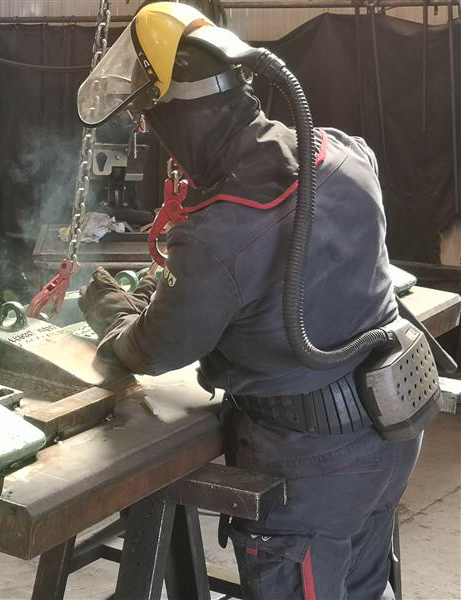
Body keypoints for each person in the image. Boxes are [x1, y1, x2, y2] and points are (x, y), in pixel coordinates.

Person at [76, 3, 420, 598]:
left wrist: (114, 315)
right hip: (389, 433)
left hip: (311, 465)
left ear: (175, 120)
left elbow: (159, 347)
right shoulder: (342, 154)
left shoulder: (219, 231)